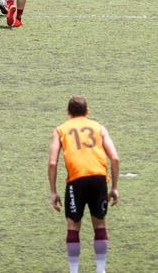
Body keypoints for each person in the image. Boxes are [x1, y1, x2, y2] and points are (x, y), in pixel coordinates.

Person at [48, 96, 120, 273]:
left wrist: (53, 191)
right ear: (87, 112)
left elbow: (52, 162)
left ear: (68, 112)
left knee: (73, 226)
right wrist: (114, 187)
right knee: (100, 224)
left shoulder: (60, 130)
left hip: (76, 180)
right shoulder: (99, 128)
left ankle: (74, 271)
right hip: (99, 178)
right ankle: (100, 270)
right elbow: (115, 158)